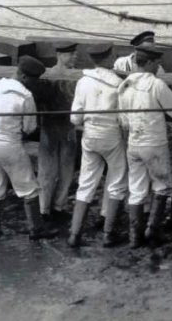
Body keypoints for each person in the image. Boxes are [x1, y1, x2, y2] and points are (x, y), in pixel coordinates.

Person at [0, 56, 57, 240]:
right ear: (25, 77)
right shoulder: (25, 95)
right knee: (28, 187)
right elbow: (30, 127)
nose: (34, 84)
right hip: (10, 143)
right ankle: (36, 229)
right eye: (34, 80)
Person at [118, 43, 172, 248]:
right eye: (157, 63)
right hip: (154, 143)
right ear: (151, 62)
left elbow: (123, 120)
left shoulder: (125, 84)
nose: (158, 67)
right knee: (163, 186)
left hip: (133, 142)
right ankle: (152, 231)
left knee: (136, 188)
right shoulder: (156, 84)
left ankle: (134, 237)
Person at [68, 43, 127, 248]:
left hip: (90, 134)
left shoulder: (83, 82)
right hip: (111, 135)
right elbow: (123, 119)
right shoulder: (118, 84)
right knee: (117, 181)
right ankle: (108, 233)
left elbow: (75, 118)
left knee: (86, 183)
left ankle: (75, 233)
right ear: (110, 58)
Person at [37, 41, 78, 224]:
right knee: (47, 170)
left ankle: (59, 206)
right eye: (70, 54)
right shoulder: (47, 75)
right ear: (60, 56)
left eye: (74, 54)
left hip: (69, 126)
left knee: (67, 169)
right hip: (50, 125)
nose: (73, 57)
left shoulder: (77, 76)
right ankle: (43, 209)